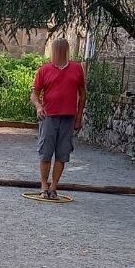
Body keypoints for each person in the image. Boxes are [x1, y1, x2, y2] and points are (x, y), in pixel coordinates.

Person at [30, 38, 87, 201]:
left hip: (68, 118)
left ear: (67, 50)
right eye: (57, 49)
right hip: (49, 117)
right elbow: (34, 94)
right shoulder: (44, 70)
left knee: (62, 154)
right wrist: (39, 107)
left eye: (62, 49)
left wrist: (79, 117)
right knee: (46, 153)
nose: (60, 52)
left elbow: (82, 95)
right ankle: (43, 186)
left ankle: (54, 187)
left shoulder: (77, 69)